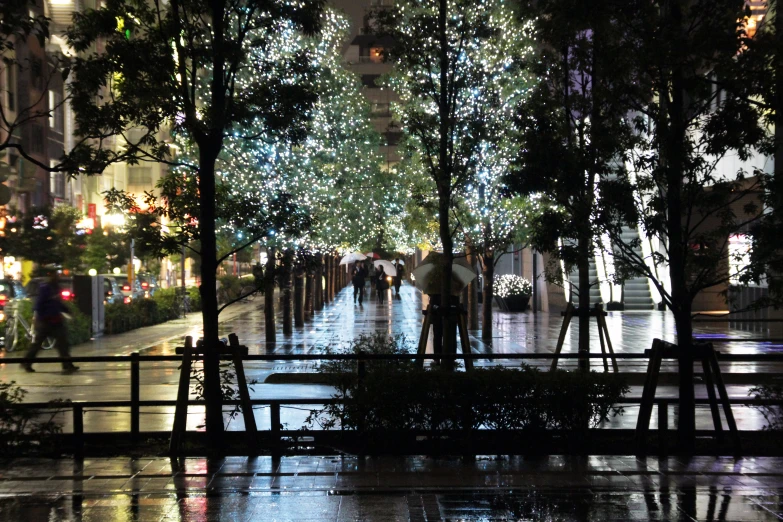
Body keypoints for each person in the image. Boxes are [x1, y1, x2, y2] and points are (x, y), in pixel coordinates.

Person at [23, 272, 78, 373]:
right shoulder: (46, 288)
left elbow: (57, 303)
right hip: (47, 321)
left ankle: (67, 364)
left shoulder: (55, 288)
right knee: (41, 343)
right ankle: (27, 362)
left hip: (55, 320)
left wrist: (67, 310)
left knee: (62, 343)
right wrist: (40, 317)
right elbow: (39, 304)